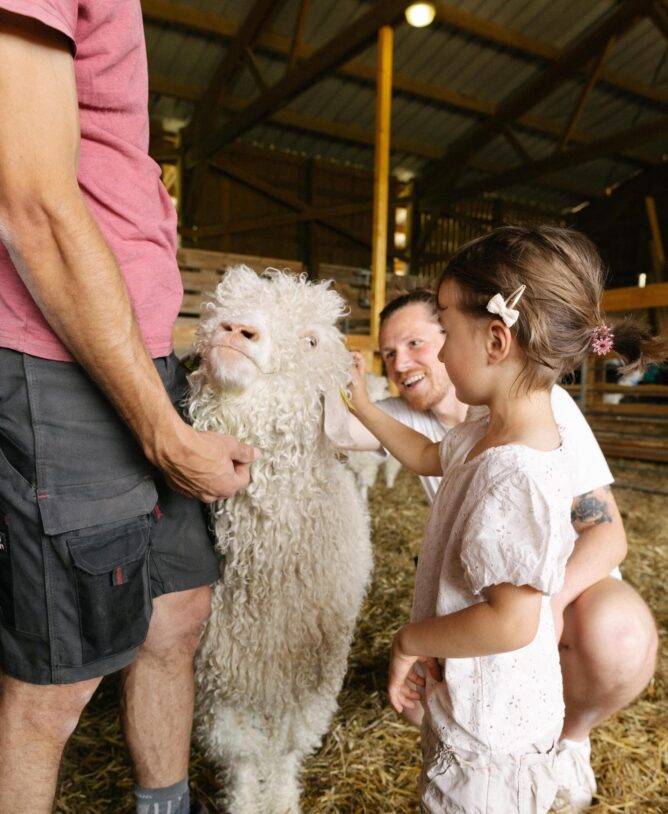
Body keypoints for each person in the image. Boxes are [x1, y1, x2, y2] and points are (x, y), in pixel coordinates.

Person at [0, 4, 257, 813]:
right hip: (59, 361)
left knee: (175, 613)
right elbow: (32, 203)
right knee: (58, 679)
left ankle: (166, 805)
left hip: (138, 360)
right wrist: (163, 430)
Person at [348, 225, 664, 813]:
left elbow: (512, 623)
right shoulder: (482, 433)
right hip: (473, 696)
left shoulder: (514, 475)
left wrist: (409, 640)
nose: (437, 354)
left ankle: (573, 743)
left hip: (490, 736)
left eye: (444, 331)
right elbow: (423, 453)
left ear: (496, 341)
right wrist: (363, 405)